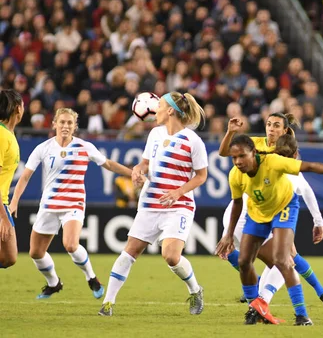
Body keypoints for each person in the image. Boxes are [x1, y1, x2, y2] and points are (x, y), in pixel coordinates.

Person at [215, 134, 323, 326]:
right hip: (258, 213)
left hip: (284, 209)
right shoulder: (235, 174)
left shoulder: (273, 162)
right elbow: (237, 204)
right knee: (244, 261)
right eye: (234, 158)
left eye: (242, 156)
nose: (238, 161)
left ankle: (302, 316)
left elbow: (308, 167)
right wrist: (228, 234)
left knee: (283, 259)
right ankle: (256, 308)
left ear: (254, 152)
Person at [98, 92, 209, 317]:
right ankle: (108, 304)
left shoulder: (193, 141)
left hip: (179, 206)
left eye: (159, 105)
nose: (155, 109)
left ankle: (195, 290)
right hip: (150, 203)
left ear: (170, 111)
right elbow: (145, 163)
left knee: (170, 256)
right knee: (129, 251)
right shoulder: (155, 134)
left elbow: (201, 176)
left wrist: (179, 191)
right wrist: (138, 171)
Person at [10, 108, 133, 299]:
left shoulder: (85, 147)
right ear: (54, 124)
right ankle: (54, 283)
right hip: (49, 204)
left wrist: (131, 173)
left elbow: (108, 164)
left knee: (70, 244)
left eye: (69, 123)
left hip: (73, 203)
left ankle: (91, 278)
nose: (65, 126)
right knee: (35, 252)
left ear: (75, 126)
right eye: (62, 122)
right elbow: (25, 177)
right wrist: (14, 202)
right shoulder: (43, 148)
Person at [219, 113, 323, 307]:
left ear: (284, 131)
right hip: (250, 212)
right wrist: (230, 132)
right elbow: (226, 153)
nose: (271, 129)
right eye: (268, 124)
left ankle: (257, 293)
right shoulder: (255, 146)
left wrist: (318, 221)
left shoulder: (283, 161)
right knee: (285, 260)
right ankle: (263, 299)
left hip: (258, 212)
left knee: (278, 258)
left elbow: (306, 189)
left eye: (276, 126)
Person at [0, 90, 24, 269]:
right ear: (17, 108)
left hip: (4, 203)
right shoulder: (2, 136)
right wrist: (4, 217)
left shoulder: (8, 134)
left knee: (8, 257)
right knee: (9, 256)